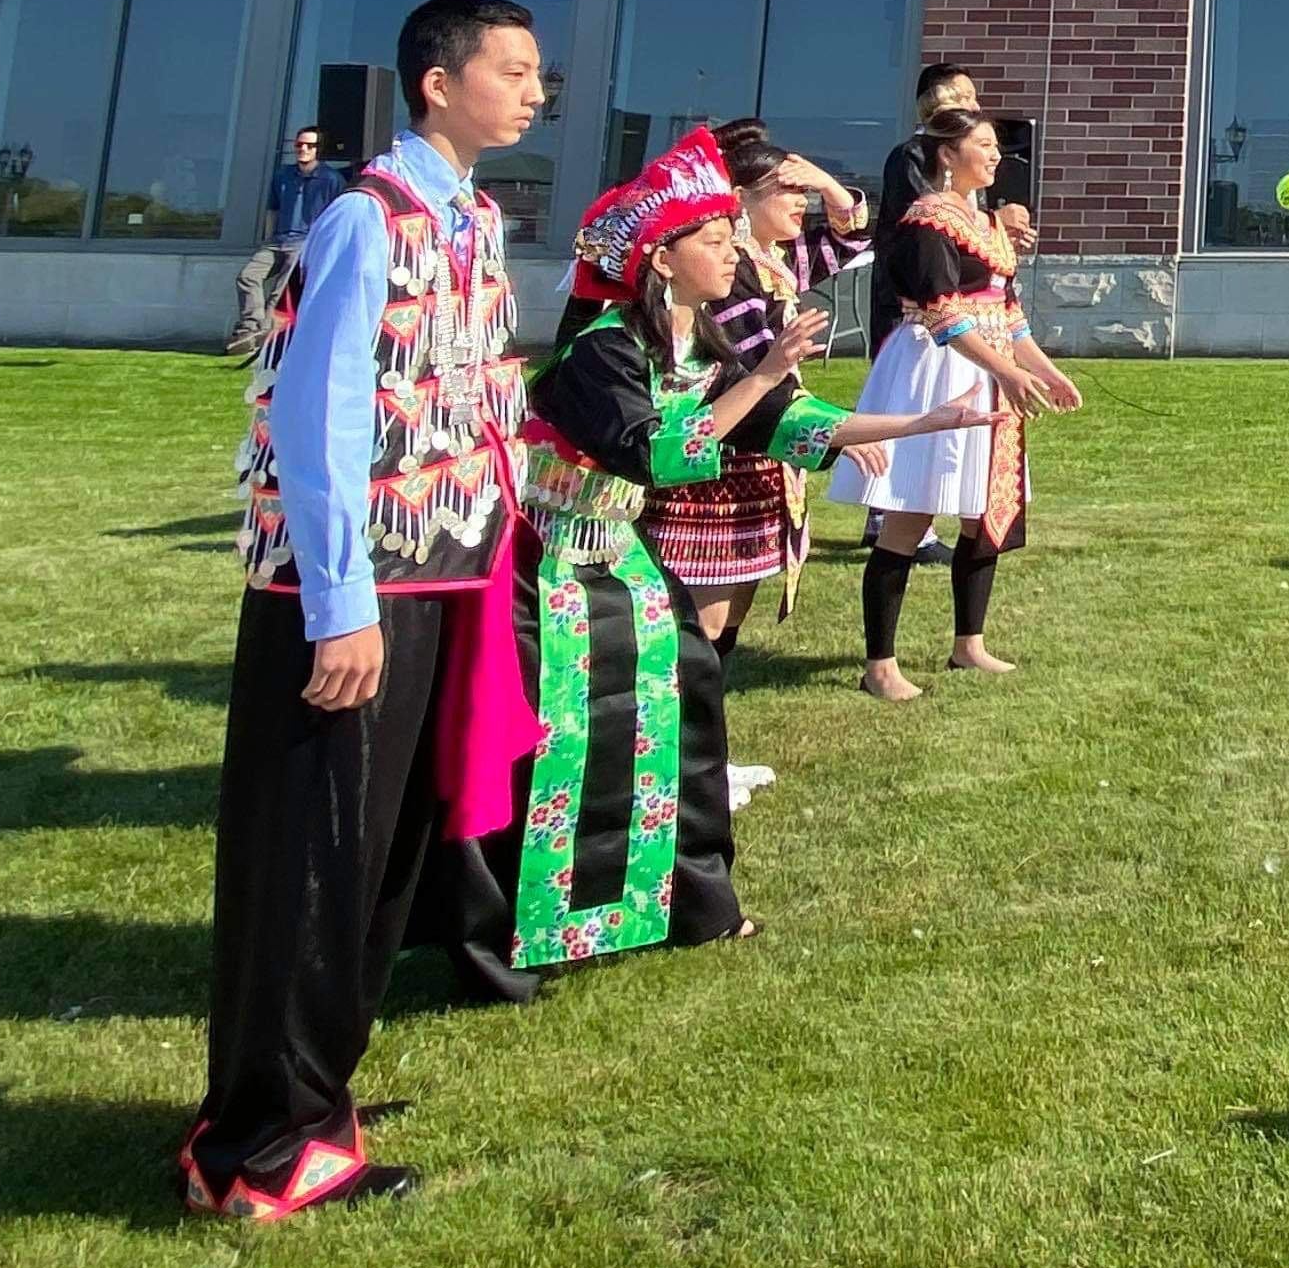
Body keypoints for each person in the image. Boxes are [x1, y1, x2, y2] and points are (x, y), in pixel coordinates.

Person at [449, 129, 985, 985]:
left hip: (617, 557)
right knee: (547, 736)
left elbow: (789, 426)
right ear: (661, 261)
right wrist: (766, 367)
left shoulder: (702, 348)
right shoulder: (601, 352)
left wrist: (924, 426)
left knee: (686, 701)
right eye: (712, 240)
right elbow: (656, 453)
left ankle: (692, 908)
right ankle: (519, 939)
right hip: (537, 570)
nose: (732, 248)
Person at [180, 0, 542, 1220]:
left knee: (383, 859)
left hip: (443, 574)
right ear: (437, 85)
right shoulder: (362, 218)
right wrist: (341, 604)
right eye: (512, 70)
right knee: (313, 858)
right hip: (357, 587)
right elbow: (317, 414)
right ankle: (263, 1145)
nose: (534, 90)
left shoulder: (476, 217)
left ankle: (312, 1086)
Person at [834, 107, 1084, 699]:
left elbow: (1009, 313)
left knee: (982, 512)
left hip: (991, 367)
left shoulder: (991, 224)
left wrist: (1044, 372)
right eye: (983, 145)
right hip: (936, 369)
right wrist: (1004, 369)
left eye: (997, 146)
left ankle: (968, 644)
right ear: (948, 155)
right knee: (911, 515)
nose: (996, 156)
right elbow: (944, 313)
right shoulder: (927, 220)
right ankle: (880, 664)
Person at [645, 119, 877, 652]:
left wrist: (825, 181)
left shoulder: (776, 258)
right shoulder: (729, 268)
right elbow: (747, 365)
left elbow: (855, 237)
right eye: (788, 190)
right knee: (705, 611)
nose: (802, 202)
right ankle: (686, 719)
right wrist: (832, 432)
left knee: (734, 604)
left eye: (803, 191)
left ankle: (705, 709)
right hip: (726, 450)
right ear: (741, 197)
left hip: (764, 449)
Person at [225, 127, 345, 360]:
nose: (303, 149)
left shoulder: (332, 180)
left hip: (305, 242)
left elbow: (336, 217)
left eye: (309, 146)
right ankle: (251, 328)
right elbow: (273, 209)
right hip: (277, 240)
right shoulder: (283, 175)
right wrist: (268, 238)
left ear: (319, 150)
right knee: (247, 276)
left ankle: (267, 339)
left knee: (280, 291)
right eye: (299, 145)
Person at [911, 61, 1036, 253]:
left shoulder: (970, 169)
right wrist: (994, 220)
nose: (976, 107)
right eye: (966, 97)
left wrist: (1001, 241)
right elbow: (924, 224)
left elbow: (967, 251)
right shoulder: (913, 154)